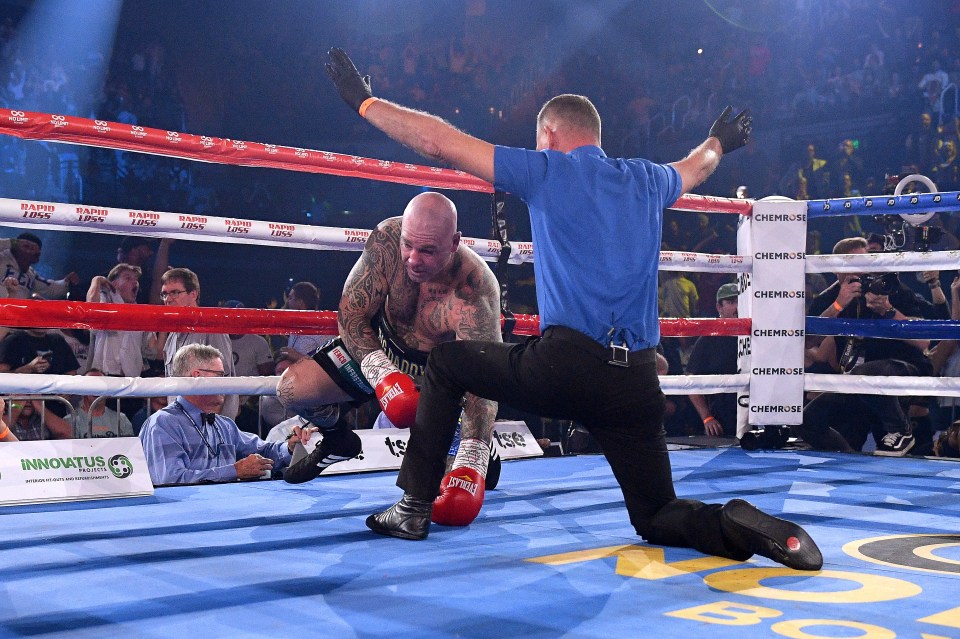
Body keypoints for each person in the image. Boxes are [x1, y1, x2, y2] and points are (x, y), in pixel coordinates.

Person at [325, 48, 822, 571]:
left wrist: (365, 103)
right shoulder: (648, 178)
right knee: (656, 513)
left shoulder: (547, 171)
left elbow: (437, 140)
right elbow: (698, 167)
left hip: (566, 365)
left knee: (448, 365)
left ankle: (413, 506)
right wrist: (722, 138)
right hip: (636, 378)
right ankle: (735, 523)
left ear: (551, 137)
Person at [276, 191, 503, 525]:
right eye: (409, 244)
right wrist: (382, 374)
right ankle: (339, 440)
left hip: (430, 380)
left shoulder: (474, 289)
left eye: (427, 250)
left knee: (436, 488)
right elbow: (351, 314)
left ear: (454, 242)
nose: (413, 259)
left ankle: (480, 448)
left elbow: (482, 380)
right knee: (292, 389)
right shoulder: (386, 240)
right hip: (375, 350)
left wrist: (474, 455)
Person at [139, 344, 315, 485]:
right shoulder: (163, 423)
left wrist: (290, 447)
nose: (227, 382)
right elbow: (170, 480)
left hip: (227, 511)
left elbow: (263, 450)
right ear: (197, 377)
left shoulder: (224, 425)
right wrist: (234, 471)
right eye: (221, 375)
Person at [157, 268, 238, 418]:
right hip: (180, 421)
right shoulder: (172, 337)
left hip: (207, 422)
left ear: (193, 294)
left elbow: (221, 380)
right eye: (164, 294)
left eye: (175, 292)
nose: (168, 299)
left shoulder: (211, 326)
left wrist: (210, 426)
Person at [686, 282, 739, 437]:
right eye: (731, 302)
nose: (737, 307)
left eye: (740, 301)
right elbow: (690, 381)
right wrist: (707, 417)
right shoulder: (708, 339)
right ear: (719, 307)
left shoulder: (755, 336)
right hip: (722, 420)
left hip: (754, 416)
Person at [0, 232, 79, 299]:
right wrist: (12, 242)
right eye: (27, 247)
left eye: (35, 252)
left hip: (14, 313)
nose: (30, 252)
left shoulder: (30, 274)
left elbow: (49, 288)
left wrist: (66, 282)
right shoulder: (2, 258)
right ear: (16, 247)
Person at [66, 369, 135, 438]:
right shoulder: (70, 420)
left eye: (101, 385)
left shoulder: (122, 419)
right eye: (91, 385)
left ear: (107, 390)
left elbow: (129, 447)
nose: (97, 389)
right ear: (82, 390)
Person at [278, 282, 336, 362]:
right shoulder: (296, 326)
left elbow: (332, 362)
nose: (287, 301)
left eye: (290, 298)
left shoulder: (322, 329)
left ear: (300, 301)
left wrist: (297, 357)